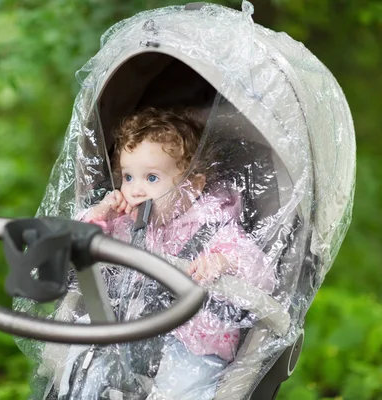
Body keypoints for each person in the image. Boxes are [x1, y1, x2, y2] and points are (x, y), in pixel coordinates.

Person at [75, 107, 276, 399]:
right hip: (129, 333)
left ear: (192, 186)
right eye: (128, 177)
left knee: (180, 390)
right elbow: (77, 247)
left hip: (195, 345)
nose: (136, 190)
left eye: (152, 178)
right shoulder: (124, 222)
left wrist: (222, 261)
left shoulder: (213, 228)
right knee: (88, 374)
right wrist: (101, 212)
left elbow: (262, 274)